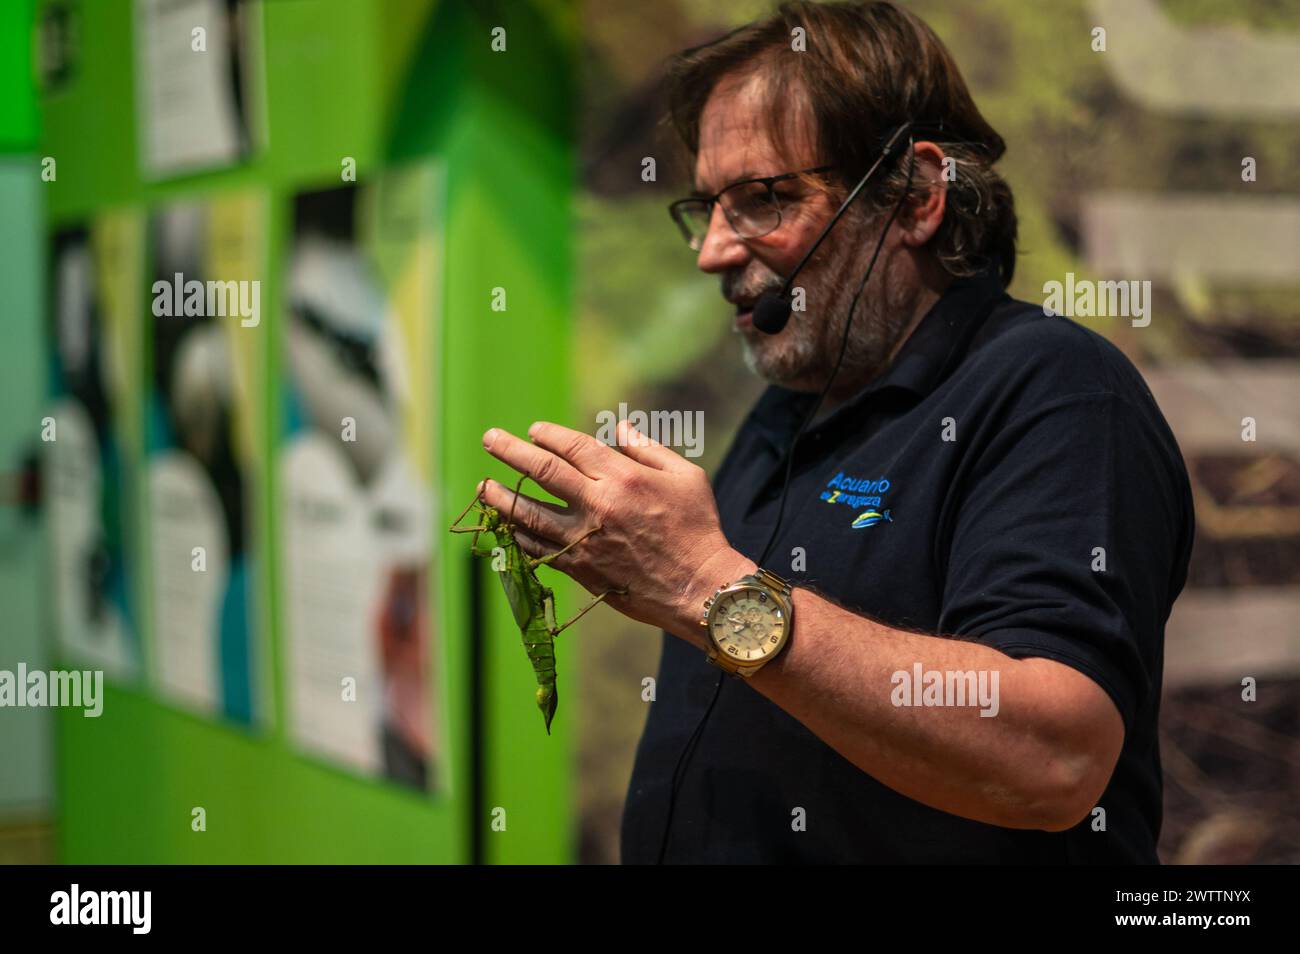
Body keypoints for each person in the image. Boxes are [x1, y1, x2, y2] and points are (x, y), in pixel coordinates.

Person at [476, 0, 1194, 863]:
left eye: (763, 199)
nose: (710, 251)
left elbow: (1056, 758)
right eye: (705, 207)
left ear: (918, 197)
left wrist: (705, 584)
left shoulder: (1055, 389)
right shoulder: (791, 407)